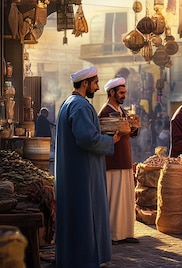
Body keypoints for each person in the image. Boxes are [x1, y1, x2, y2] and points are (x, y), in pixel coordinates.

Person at [55, 66, 120, 267]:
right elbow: (86, 139)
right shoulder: (80, 106)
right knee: (84, 218)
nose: (98, 87)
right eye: (95, 82)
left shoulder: (69, 103)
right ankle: (84, 260)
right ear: (85, 84)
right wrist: (111, 141)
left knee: (72, 218)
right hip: (83, 174)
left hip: (74, 172)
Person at [98, 77, 140, 245]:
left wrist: (134, 125)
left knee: (126, 199)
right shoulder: (106, 112)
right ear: (112, 93)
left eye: (125, 93)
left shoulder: (121, 111)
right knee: (114, 199)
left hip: (124, 160)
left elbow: (129, 133)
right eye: (121, 93)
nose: (124, 96)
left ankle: (125, 233)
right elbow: (105, 136)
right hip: (112, 162)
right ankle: (112, 234)